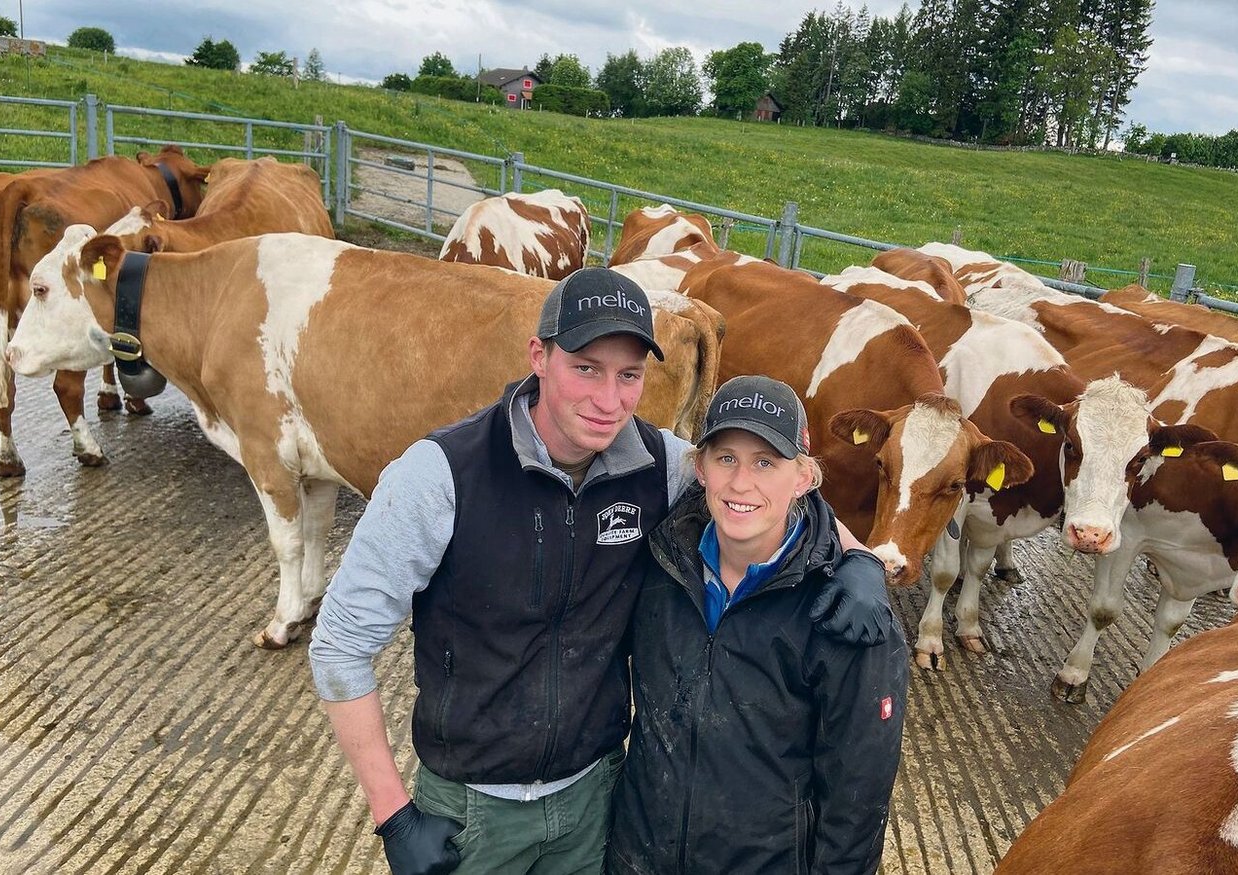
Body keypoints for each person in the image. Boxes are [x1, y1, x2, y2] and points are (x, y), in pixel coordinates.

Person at [309, 268, 890, 875]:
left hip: (595, 799)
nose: (608, 400)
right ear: (540, 355)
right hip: (472, 810)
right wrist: (393, 813)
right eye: (586, 367)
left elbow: (758, 491)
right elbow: (341, 644)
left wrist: (856, 560)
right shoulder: (441, 476)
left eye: (629, 375)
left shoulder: (657, 464)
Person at [607, 375, 909, 875]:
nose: (741, 483)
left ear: (804, 479)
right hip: (640, 855)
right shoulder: (661, 563)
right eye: (726, 457)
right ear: (699, 468)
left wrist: (864, 564)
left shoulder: (845, 616)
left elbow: (856, 798)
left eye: (766, 462)